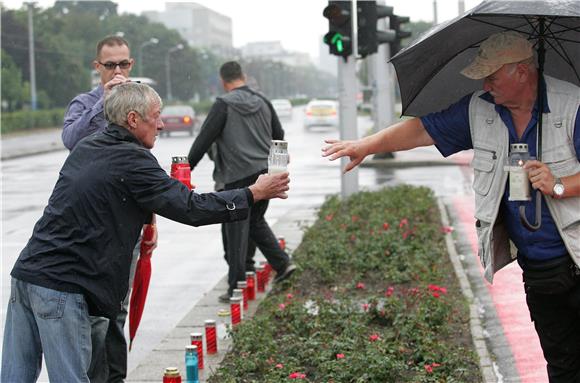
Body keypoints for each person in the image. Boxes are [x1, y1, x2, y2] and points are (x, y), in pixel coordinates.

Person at [322, 31, 580, 382]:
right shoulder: (481, 109)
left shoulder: (572, 106)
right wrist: (366, 145)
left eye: (492, 76)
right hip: (539, 270)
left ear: (521, 71)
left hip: (577, 260)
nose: (487, 85)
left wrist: (560, 184)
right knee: (562, 365)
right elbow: (422, 130)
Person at [1, 82, 290, 383]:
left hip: (26, 275)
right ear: (133, 119)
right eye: (157, 115)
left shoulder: (90, 147)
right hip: (62, 286)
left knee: (14, 376)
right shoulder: (132, 159)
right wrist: (252, 193)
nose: (162, 124)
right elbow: (190, 208)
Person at [61, 35, 144, 382]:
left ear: (132, 65)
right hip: (88, 223)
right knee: (90, 307)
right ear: (98, 67)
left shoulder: (140, 102)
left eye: (123, 64)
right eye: (110, 65)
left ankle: (114, 377)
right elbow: (71, 140)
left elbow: (144, 162)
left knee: (118, 306)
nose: (117, 71)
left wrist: (150, 219)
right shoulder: (84, 103)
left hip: (127, 219)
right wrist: (105, 102)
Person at [188, 61, 296, 303]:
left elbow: (203, 141)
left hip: (236, 177)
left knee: (235, 229)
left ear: (223, 81)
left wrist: (184, 170)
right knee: (255, 221)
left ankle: (236, 286)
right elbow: (278, 135)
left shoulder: (223, 105)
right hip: (265, 174)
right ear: (243, 77)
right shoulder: (263, 101)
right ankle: (282, 264)